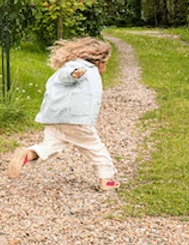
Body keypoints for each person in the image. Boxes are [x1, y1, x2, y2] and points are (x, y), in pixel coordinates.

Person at [8, 37, 118, 190]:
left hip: (55, 118)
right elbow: (65, 75)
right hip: (75, 120)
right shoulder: (79, 67)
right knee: (95, 148)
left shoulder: (75, 66)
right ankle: (107, 180)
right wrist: (74, 74)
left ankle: (28, 154)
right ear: (100, 61)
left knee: (50, 147)